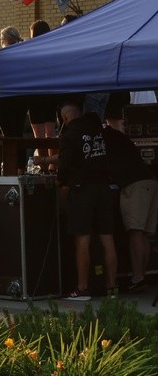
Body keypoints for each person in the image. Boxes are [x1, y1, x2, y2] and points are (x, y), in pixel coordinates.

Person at [56, 100, 118, 300]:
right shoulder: (99, 131)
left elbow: (63, 167)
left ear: (64, 119)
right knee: (107, 237)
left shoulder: (69, 136)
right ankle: (112, 287)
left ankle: (82, 288)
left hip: (82, 190)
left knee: (82, 238)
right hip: (104, 188)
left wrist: (61, 182)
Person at [103, 122, 158, 293]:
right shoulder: (119, 136)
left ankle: (137, 277)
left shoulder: (103, 140)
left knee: (135, 232)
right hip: (150, 181)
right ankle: (142, 276)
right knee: (144, 234)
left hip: (134, 185)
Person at [0, 26, 29, 174]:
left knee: (8, 135)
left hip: (7, 98)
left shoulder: (3, 54)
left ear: (6, 40)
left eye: (2, 40)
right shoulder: (24, 52)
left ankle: (10, 168)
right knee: (19, 133)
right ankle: (22, 166)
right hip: (22, 98)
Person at [26, 20, 59, 170]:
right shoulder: (52, 48)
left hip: (35, 94)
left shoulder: (31, 50)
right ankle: (53, 166)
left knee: (38, 135)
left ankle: (44, 167)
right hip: (51, 93)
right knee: (51, 133)